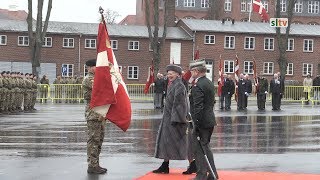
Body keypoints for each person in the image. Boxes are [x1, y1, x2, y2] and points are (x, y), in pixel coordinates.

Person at [153, 64, 188, 174]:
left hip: (175, 119)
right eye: (168, 73)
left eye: (171, 73)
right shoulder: (172, 84)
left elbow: (180, 104)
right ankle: (165, 164)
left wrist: (176, 119)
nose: (169, 75)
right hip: (168, 119)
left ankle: (193, 163)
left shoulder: (179, 86)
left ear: (177, 74)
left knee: (182, 143)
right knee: (167, 142)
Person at [189, 60, 219, 180]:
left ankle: (201, 175)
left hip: (201, 122)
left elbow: (198, 107)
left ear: (196, 71)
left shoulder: (198, 85)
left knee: (199, 149)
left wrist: (196, 125)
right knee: (205, 147)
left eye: (192, 71)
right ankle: (212, 174)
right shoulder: (208, 82)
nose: (191, 73)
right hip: (209, 120)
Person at [82, 59, 107, 174]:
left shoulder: (96, 78)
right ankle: (92, 165)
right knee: (93, 140)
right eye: (97, 67)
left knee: (99, 140)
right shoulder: (89, 79)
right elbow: (101, 89)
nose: (98, 69)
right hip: (93, 114)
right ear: (91, 68)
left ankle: (95, 164)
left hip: (100, 113)